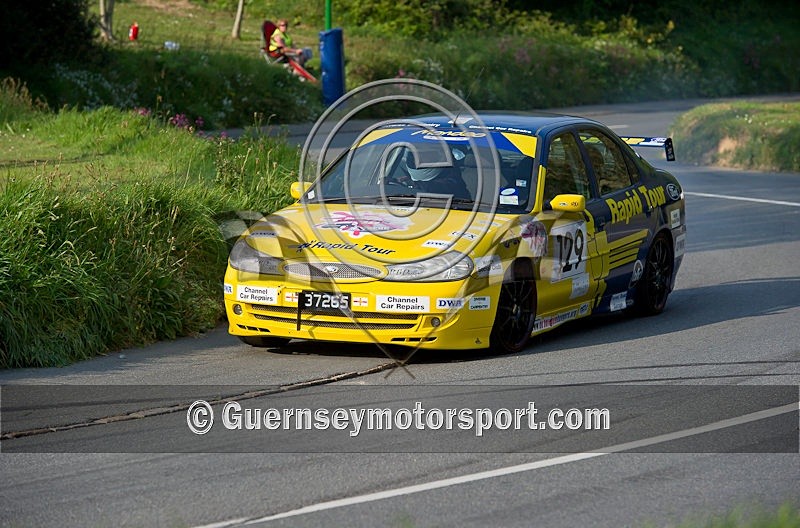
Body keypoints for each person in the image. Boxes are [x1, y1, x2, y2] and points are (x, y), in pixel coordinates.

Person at [403, 150, 471, 199]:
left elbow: (438, 187)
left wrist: (414, 184)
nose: (415, 161)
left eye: (421, 156)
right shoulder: (444, 176)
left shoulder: (451, 183)